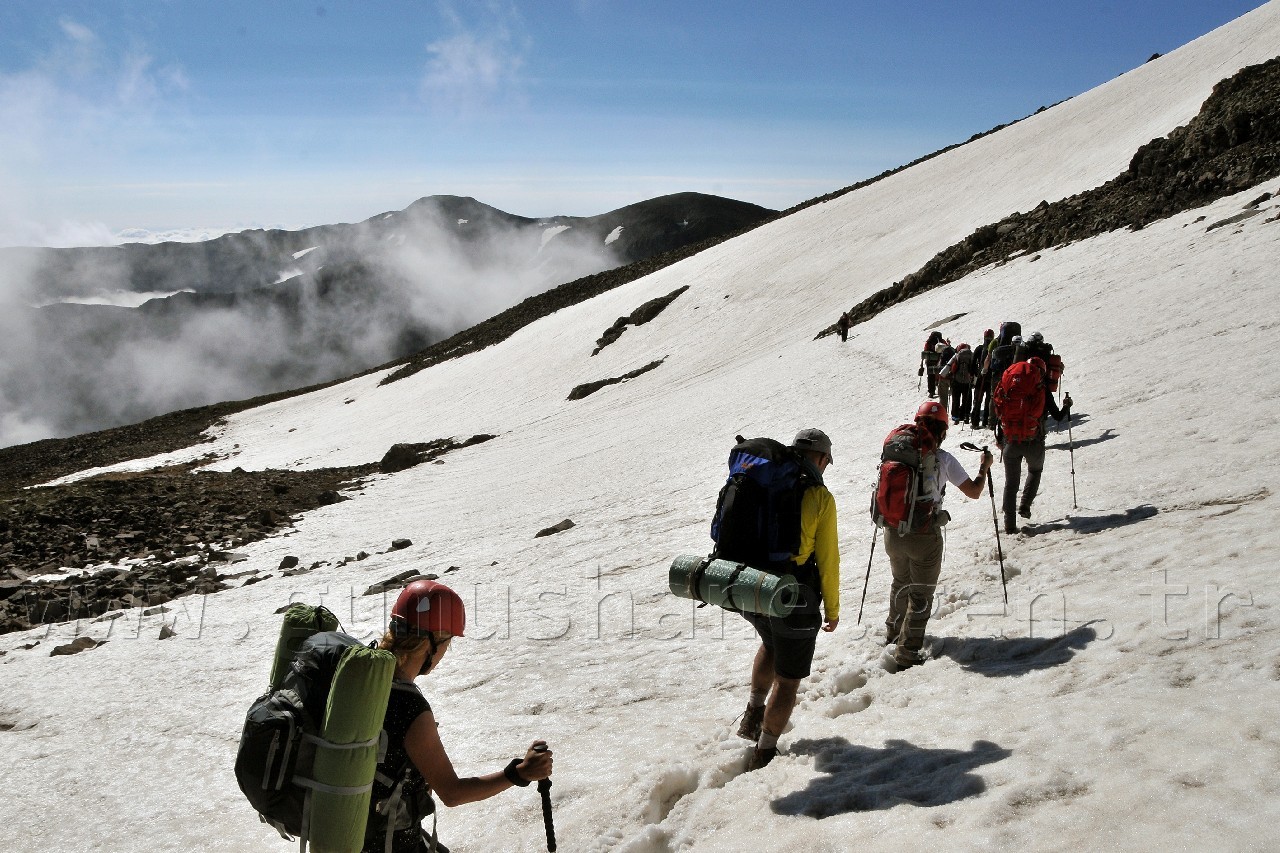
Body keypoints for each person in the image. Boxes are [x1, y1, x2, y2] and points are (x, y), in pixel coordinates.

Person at [366, 580, 554, 852]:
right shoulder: (409, 707)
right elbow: (452, 793)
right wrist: (520, 773)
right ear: (433, 641)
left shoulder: (361, 679)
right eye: (448, 642)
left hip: (342, 837)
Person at [735, 428, 840, 771]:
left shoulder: (764, 477)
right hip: (793, 594)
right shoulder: (819, 496)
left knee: (769, 641)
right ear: (821, 459)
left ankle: (752, 714)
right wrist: (833, 609)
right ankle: (763, 752)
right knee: (789, 677)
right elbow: (828, 559)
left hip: (751, 585)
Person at [883, 402, 992, 671]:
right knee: (921, 595)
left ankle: (893, 635)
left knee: (900, 582)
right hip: (923, 535)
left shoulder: (898, 451)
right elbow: (974, 492)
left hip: (892, 530)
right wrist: (984, 467)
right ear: (942, 429)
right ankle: (907, 653)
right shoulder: (943, 459)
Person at [995, 358, 1073, 534]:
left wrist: (1001, 438)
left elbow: (999, 411)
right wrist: (1066, 406)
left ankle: (1009, 525)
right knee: (1035, 471)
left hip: (1011, 441)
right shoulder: (1042, 389)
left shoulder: (1011, 387)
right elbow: (1058, 416)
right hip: (1034, 441)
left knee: (1010, 484)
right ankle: (1025, 506)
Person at [970, 329, 996, 429]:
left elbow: (973, 363)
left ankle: (975, 422)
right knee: (988, 401)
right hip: (991, 378)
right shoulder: (995, 349)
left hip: (980, 378)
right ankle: (985, 421)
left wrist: (974, 374)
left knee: (977, 400)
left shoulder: (979, 349)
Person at [943, 342, 974, 424]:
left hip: (956, 380)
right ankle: (965, 415)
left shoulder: (957, 355)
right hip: (967, 382)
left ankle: (955, 416)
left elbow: (949, 366)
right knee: (966, 399)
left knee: (956, 399)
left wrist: (944, 375)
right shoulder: (971, 355)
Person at [919, 331, 943, 397]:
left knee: (930, 376)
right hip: (939, 360)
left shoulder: (929, 342)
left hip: (930, 362)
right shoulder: (942, 341)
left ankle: (931, 392)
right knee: (940, 374)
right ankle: (940, 389)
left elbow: (925, 350)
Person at [934, 340, 954, 411]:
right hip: (953, 376)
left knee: (943, 396)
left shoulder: (944, 353)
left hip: (945, 377)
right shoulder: (952, 349)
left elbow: (942, 366)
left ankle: (943, 410)